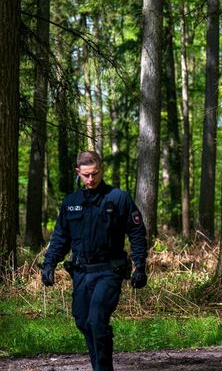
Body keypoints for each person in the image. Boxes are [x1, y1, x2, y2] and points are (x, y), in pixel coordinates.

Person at [41, 151, 148, 371]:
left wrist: (140, 266)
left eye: (95, 174)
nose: (91, 179)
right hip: (81, 273)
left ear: (101, 169)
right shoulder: (71, 202)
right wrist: (49, 263)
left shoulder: (118, 198)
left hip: (109, 271)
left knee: (97, 320)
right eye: (86, 175)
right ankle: (99, 366)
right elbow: (61, 237)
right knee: (83, 321)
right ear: (78, 172)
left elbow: (136, 233)